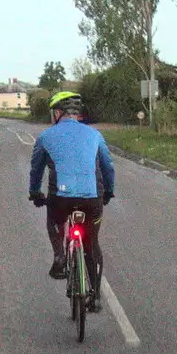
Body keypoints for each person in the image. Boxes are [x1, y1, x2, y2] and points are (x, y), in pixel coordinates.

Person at [28, 91, 115, 309]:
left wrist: (34, 193)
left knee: (54, 220)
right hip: (92, 198)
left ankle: (59, 257)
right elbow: (108, 166)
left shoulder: (46, 136)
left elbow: (36, 169)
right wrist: (109, 191)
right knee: (92, 244)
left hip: (60, 199)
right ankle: (94, 299)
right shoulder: (95, 135)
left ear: (57, 113)